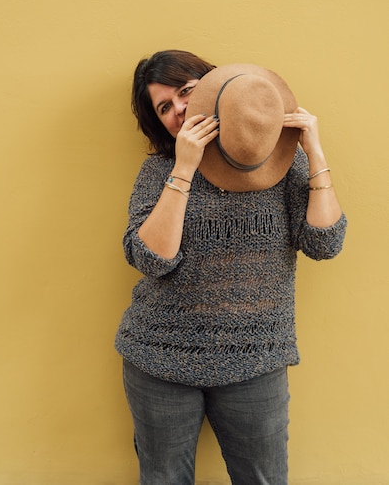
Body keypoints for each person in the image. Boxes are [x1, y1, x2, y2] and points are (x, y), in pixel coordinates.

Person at [115, 49, 347, 485]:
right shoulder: (158, 171)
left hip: (256, 360)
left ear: (213, 88)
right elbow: (151, 259)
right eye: (164, 107)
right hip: (160, 358)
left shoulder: (282, 165)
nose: (179, 110)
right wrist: (183, 168)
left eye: (186, 92)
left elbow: (325, 242)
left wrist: (314, 152)